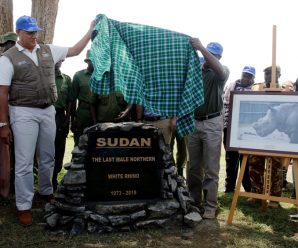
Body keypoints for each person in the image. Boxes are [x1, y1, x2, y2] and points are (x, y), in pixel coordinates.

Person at [0, 15, 94, 226]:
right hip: (22, 111)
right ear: (19, 33)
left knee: (48, 156)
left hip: (47, 110)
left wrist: (89, 31)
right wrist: (3, 124)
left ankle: (45, 193)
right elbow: (2, 93)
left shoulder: (48, 50)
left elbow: (75, 50)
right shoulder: (8, 57)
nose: (34, 36)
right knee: (24, 161)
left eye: (36, 32)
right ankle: (24, 206)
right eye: (30, 32)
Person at [187, 38, 229, 219]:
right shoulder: (195, 72)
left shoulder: (222, 71)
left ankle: (211, 205)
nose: (207, 58)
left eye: (212, 55)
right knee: (194, 166)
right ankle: (194, 201)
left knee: (211, 167)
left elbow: (219, 69)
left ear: (218, 57)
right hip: (194, 121)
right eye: (206, 54)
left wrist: (202, 49)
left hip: (212, 122)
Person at [248, 66, 283, 208]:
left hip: (277, 135)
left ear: (279, 75)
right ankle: (256, 194)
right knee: (254, 163)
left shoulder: (286, 92)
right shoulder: (257, 90)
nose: (268, 76)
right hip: (260, 134)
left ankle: (274, 199)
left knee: (275, 166)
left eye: (271, 73)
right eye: (266, 73)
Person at [222, 66, 255, 193]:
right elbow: (225, 104)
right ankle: (229, 186)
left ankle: (247, 186)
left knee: (246, 158)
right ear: (241, 74)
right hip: (229, 126)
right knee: (230, 158)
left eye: (249, 76)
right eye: (245, 75)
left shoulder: (255, 89)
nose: (246, 78)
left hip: (246, 128)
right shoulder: (231, 86)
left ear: (253, 78)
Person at [0, 32, 18, 197]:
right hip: (3, 116)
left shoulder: (19, 65)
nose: (8, 47)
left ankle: (11, 187)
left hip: (17, 114)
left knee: (17, 153)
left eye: (11, 44)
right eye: (6, 45)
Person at [52, 60, 72, 191]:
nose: (58, 63)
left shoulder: (66, 79)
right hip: (45, 114)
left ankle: (54, 178)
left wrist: (67, 119)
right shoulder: (44, 76)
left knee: (59, 149)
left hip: (60, 116)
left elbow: (71, 101)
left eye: (60, 60)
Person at [71, 50, 94, 146]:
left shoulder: (103, 75)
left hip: (99, 113)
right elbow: (72, 99)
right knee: (80, 142)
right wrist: (73, 120)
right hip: (83, 113)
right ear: (87, 61)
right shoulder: (78, 76)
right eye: (91, 60)